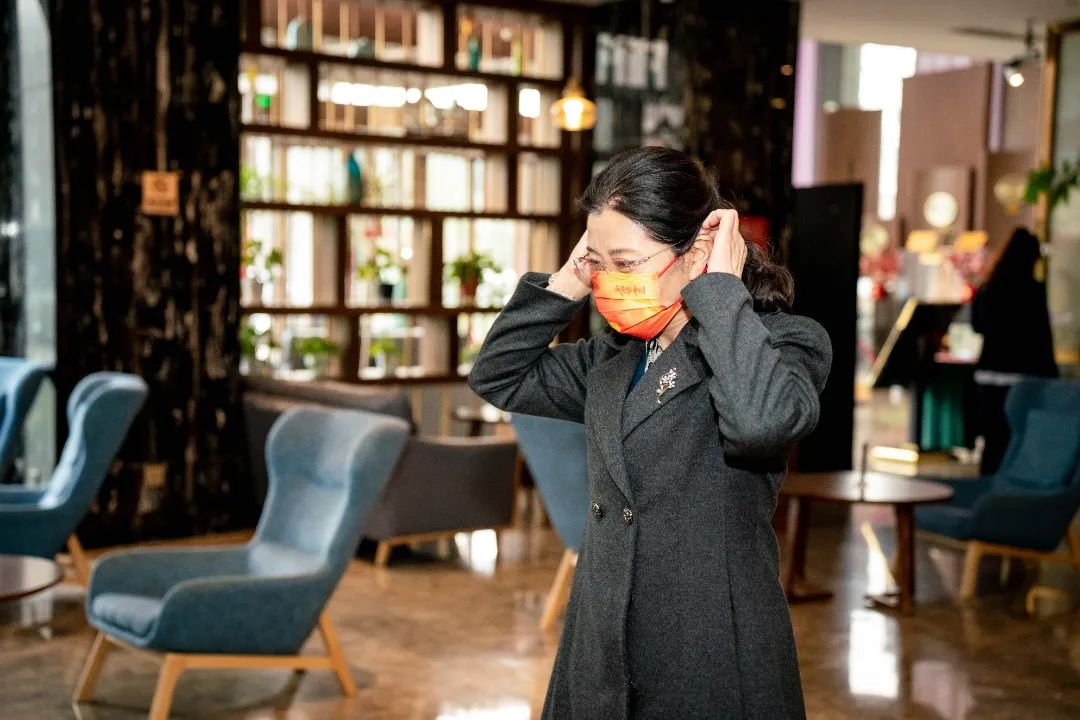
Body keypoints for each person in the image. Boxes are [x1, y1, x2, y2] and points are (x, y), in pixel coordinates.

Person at [468, 146, 832, 719]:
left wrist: (719, 291)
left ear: (699, 252)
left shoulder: (781, 343)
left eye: (627, 262)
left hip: (708, 648)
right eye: (599, 262)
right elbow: (498, 375)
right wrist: (567, 281)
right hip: (602, 638)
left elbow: (762, 424)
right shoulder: (614, 359)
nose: (610, 281)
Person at [970, 227, 1058, 474]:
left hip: (989, 376)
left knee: (992, 442)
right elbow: (1042, 337)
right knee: (1017, 441)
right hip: (1022, 378)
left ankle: (988, 488)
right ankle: (1010, 488)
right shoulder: (1032, 291)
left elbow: (977, 326)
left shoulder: (989, 288)